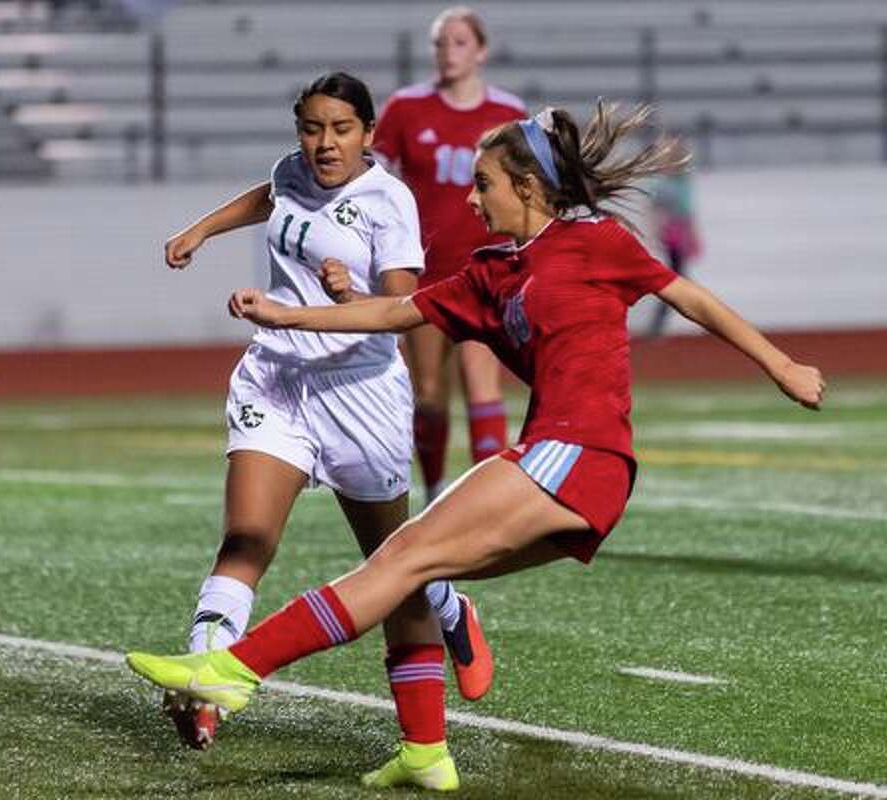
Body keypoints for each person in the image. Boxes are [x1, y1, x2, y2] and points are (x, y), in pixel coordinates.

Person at [127, 101, 825, 791]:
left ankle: (232, 670)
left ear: (526, 188)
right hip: (566, 470)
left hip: (579, 455)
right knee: (410, 570)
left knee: (403, 556)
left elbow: (690, 298)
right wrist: (288, 313)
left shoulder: (597, 243)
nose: (471, 198)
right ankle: (426, 752)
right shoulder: (492, 274)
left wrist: (781, 364)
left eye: (483, 183)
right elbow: (396, 311)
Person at [156, 72, 493, 755]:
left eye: (340, 130)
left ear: (369, 134)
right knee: (246, 537)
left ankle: (451, 611)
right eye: (311, 129)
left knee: (392, 562)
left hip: (359, 394)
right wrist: (202, 229)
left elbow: (401, 306)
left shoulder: (388, 199)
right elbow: (270, 193)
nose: (324, 143)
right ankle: (205, 691)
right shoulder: (292, 170)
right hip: (276, 379)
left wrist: (352, 288)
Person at [373, 7, 527, 506]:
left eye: (459, 42)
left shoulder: (507, 113)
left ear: (481, 51)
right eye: (441, 43)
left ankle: (483, 502)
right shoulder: (406, 108)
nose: (448, 52)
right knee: (430, 396)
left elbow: (529, 190)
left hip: (488, 270)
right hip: (425, 274)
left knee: (484, 389)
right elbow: (373, 179)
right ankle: (437, 491)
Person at [645, 147, 702, 338]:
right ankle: (658, 324)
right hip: (673, 234)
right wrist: (656, 233)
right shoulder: (662, 184)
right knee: (676, 280)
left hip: (681, 232)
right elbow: (655, 211)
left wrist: (692, 236)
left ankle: (660, 324)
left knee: (679, 278)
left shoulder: (682, 183)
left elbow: (688, 213)